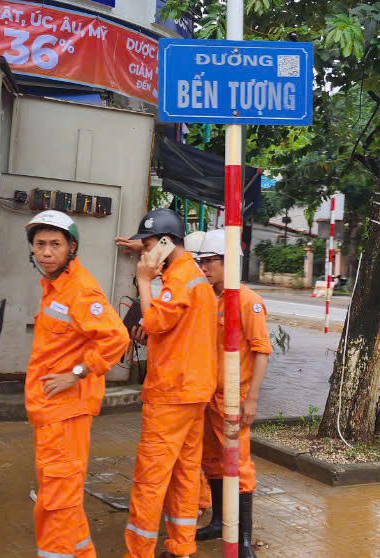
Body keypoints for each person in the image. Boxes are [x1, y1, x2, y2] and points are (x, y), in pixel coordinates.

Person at [24, 210, 130, 558]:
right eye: (40, 244)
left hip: (65, 412)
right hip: (51, 411)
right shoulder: (54, 286)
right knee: (61, 495)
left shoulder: (80, 290)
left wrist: (78, 373)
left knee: (55, 501)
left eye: (55, 244)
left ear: (72, 248)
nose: (46, 252)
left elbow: (117, 339)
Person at [122, 208, 218, 558]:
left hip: (171, 394)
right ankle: (181, 547)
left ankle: (139, 552)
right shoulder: (195, 279)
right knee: (185, 474)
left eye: (147, 245)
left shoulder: (177, 279)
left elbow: (156, 322)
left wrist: (145, 281)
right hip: (193, 392)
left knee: (150, 479)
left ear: (165, 243)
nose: (144, 253)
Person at [190, 230, 272, 558]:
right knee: (211, 461)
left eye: (210, 261)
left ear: (228, 263)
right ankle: (218, 522)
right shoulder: (209, 298)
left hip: (233, 399)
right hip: (208, 396)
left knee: (238, 467)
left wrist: (252, 399)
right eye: (202, 261)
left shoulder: (248, 301)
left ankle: (244, 540)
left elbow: (262, 350)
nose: (204, 267)